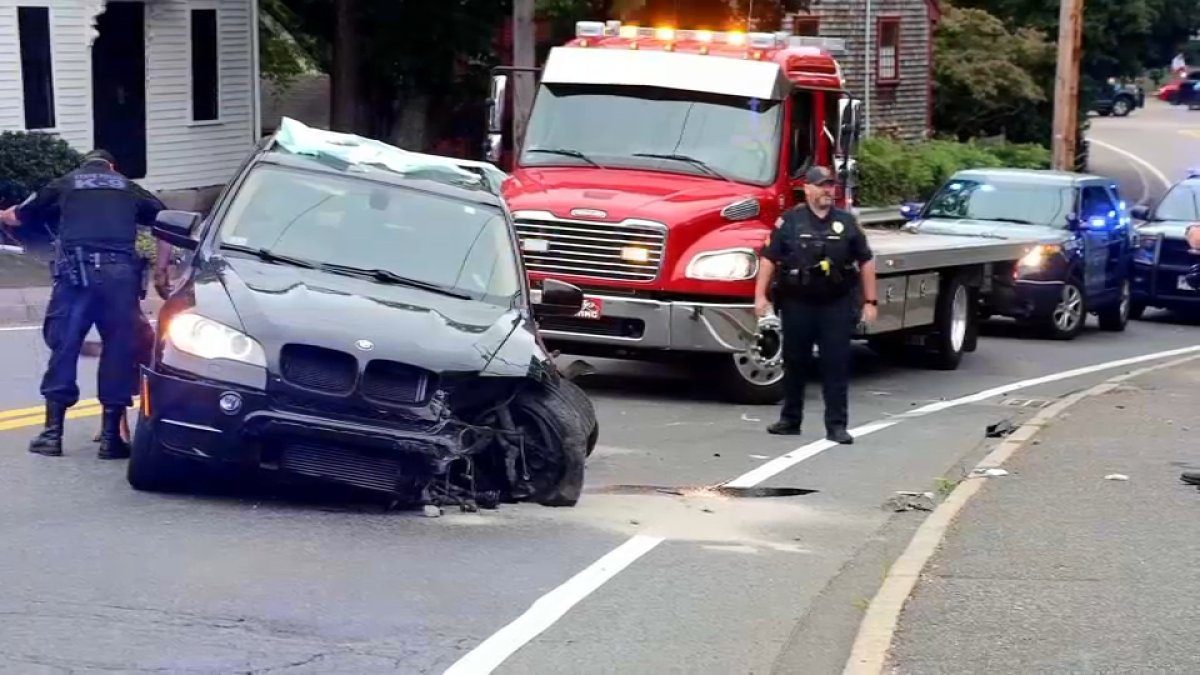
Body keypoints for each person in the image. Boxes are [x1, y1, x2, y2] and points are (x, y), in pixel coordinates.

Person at [0, 149, 165, 459]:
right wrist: (161, 269)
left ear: (85, 165)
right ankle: (110, 440)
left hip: (76, 278)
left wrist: (4, 215)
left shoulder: (65, 183)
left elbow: (17, 216)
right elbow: (167, 220)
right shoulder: (128, 187)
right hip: (120, 279)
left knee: (64, 347)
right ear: (111, 167)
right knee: (118, 351)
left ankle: (52, 436)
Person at [754, 165, 878, 444]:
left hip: (835, 304)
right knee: (795, 362)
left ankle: (836, 426)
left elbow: (866, 260)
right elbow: (769, 259)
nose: (827, 190)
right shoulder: (790, 222)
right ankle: (790, 419)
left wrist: (870, 301)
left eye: (830, 186)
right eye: (821, 185)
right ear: (807, 189)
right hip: (797, 302)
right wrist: (760, 296)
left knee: (835, 364)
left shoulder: (846, 223)